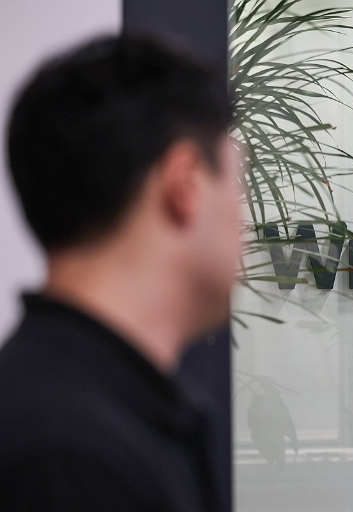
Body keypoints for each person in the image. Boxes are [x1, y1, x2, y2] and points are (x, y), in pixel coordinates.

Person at [0, 35, 240, 511]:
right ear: (185, 185)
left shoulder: (108, 411)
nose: (245, 220)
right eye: (240, 186)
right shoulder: (69, 459)